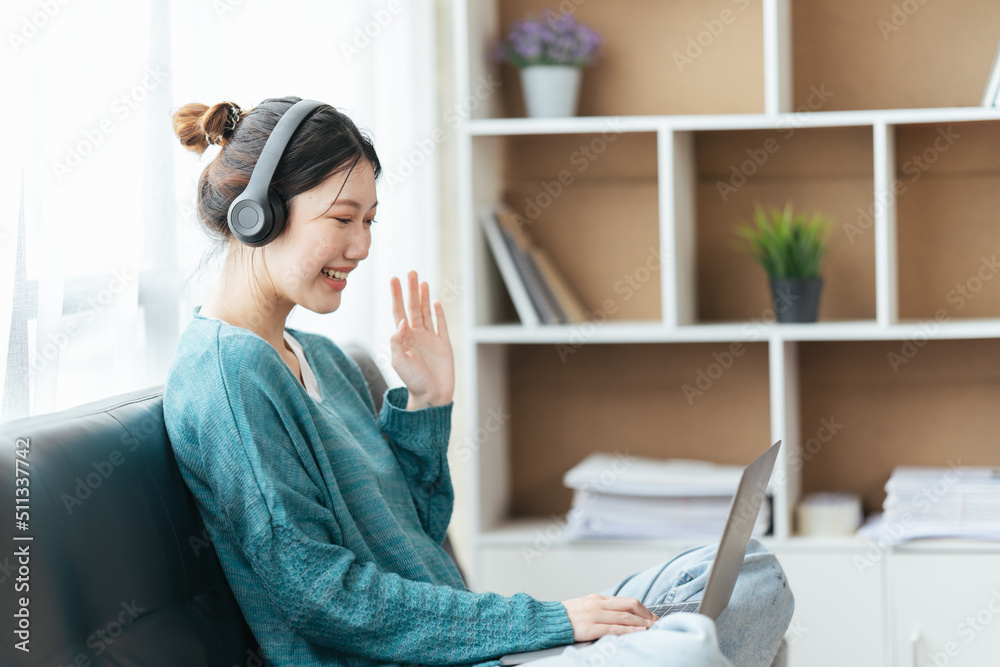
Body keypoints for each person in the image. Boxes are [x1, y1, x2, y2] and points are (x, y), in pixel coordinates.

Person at [163, 96, 793, 667]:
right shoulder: (227, 373)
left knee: (749, 575)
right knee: (683, 656)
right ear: (258, 215)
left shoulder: (323, 357)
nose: (360, 246)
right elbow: (321, 596)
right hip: (429, 658)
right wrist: (550, 622)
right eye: (343, 218)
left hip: (469, 645)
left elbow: (419, 532)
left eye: (371, 222)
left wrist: (428, 402)